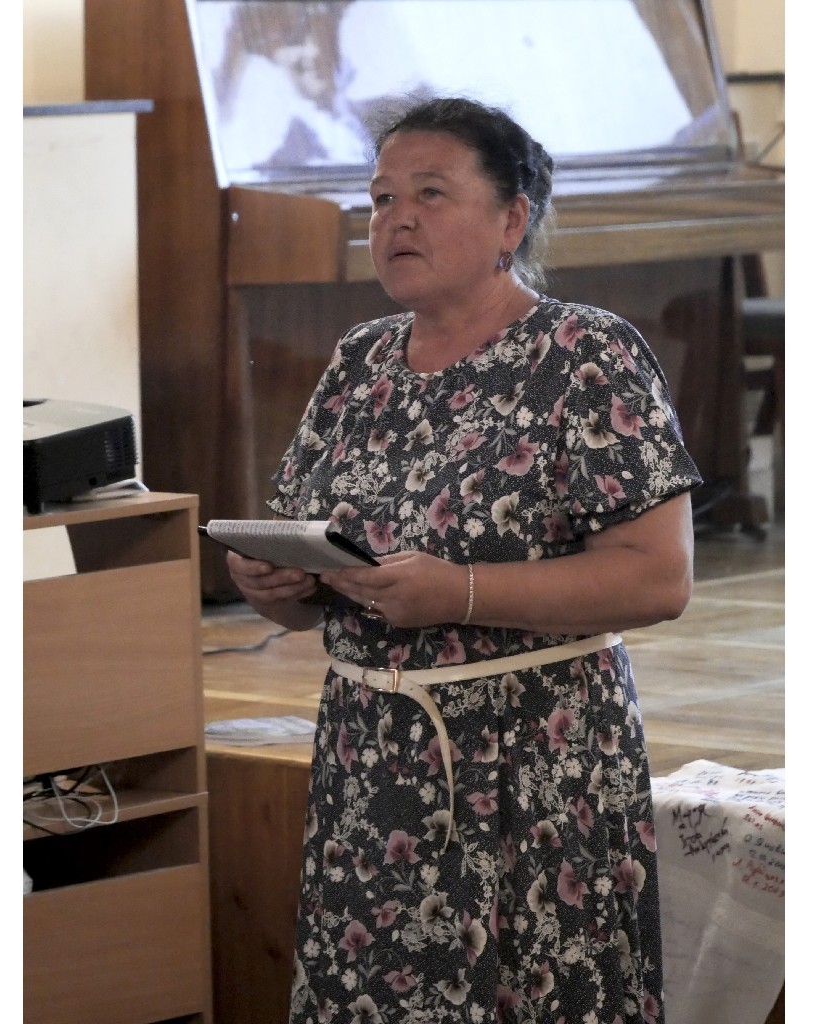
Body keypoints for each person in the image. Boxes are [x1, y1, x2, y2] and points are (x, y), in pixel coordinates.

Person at [225, 95, 701, 1024]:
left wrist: (461, 591)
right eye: (381, 199)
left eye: (430, 194)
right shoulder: (360, 362)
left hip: (534, 762)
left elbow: (660, 576)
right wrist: (274, 584)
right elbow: (312, 588)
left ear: (512, 219)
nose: (396, 220)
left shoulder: (586, 354)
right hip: (372, 766)